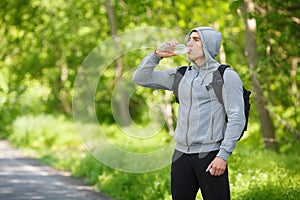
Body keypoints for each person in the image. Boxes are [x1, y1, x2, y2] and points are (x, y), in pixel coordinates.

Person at [132, 27, 245, 200]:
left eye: (196, 39)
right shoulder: (180, 75)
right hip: (181, 156)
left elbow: (237, 118)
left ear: (209, 45)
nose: (189, 42)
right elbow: (140, 78)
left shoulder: (226, 76)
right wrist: (157, 55)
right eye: (189, 39)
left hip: (210, 155)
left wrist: (223, 155)